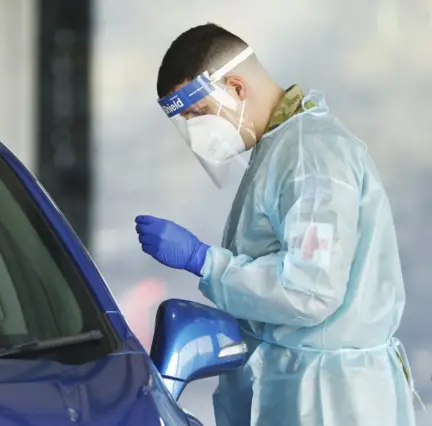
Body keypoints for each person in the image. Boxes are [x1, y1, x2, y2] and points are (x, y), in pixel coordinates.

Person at [134, 23, 419, 426]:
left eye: (197, 114)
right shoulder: (282, 148)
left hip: (327, 401)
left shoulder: (311, 156)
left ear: (235, 88)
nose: (197, 134)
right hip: (301, 385)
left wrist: (204, 261)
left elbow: (310, 290)